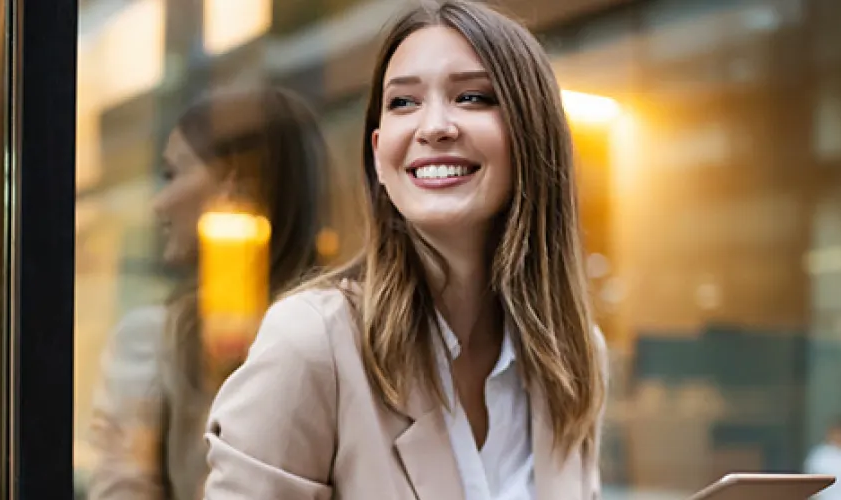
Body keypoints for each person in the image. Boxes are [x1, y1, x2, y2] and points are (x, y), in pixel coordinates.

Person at [202, 1, 608, 499]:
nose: (433, 126)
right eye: (403, 102)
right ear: (378, 151)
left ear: (532, 134)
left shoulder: (576, 357)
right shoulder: (312, 344)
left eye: (473, 97)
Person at [86, 85, 327, 500]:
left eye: (173, 174)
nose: (159, 205)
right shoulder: (351, 331)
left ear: (229, 182)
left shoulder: (153, 342)